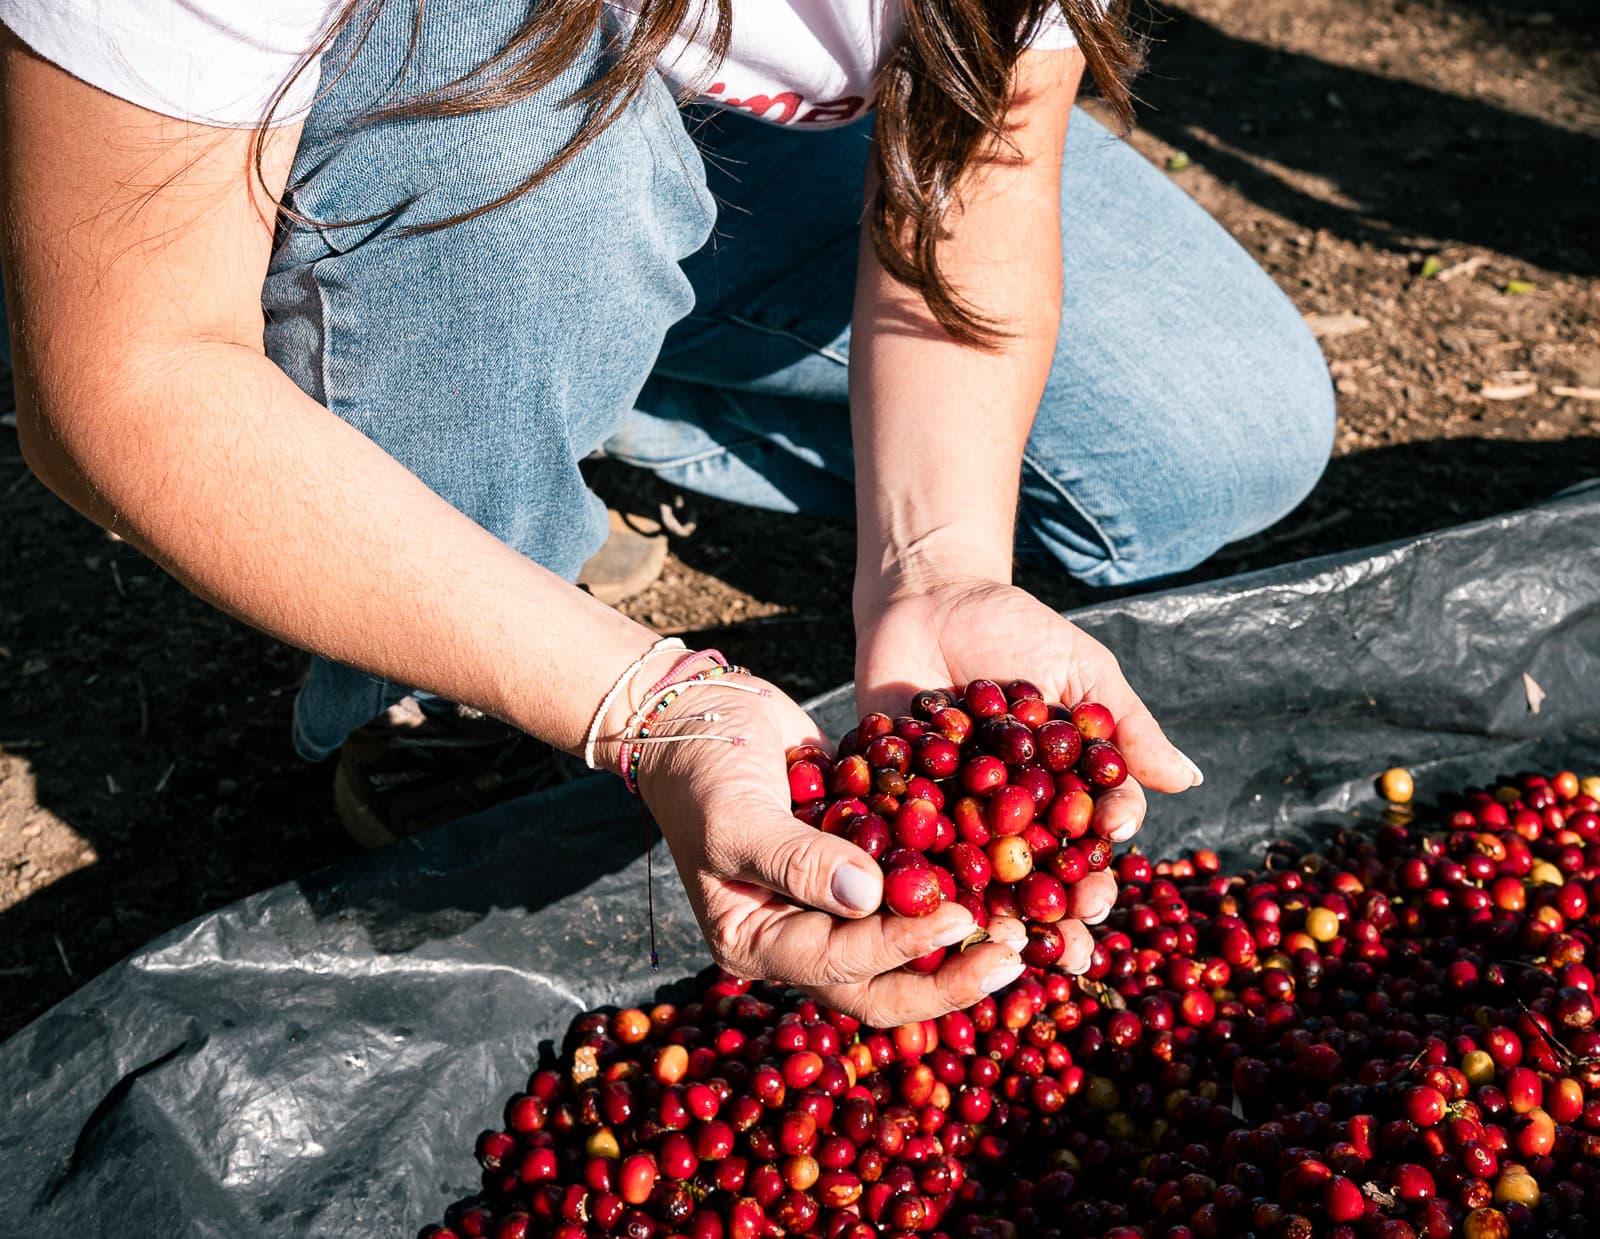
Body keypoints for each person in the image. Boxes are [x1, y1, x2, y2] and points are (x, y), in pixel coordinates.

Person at [0, 0, 1333, 1027]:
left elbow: (967, 187)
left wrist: (935, 566)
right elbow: (124, 378)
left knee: (1209, 439)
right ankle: (442, 511)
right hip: (372, 102)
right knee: (515, 131)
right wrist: (642, 702)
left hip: (735, 137)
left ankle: (562, 353)